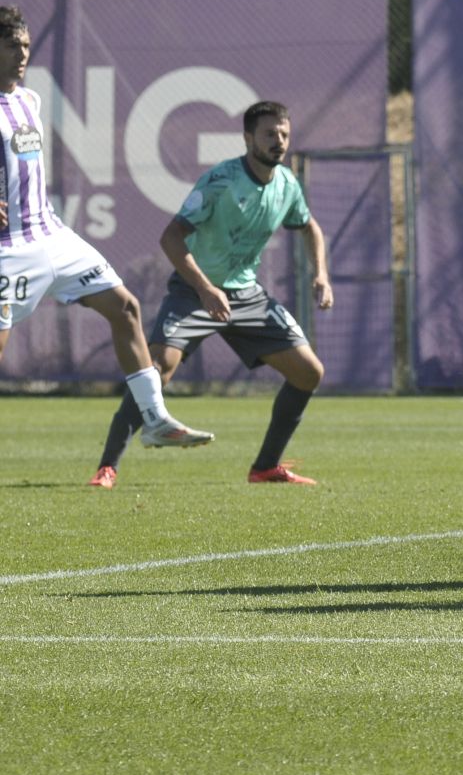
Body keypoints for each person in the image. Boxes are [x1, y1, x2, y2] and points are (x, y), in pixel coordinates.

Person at [0, 6, 211, 453]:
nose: (23, 53)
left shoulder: (30, 100)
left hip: (53, 236)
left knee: (125, 307)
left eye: (26, 44)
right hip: (8, 250)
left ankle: (154, 420)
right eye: (12, 45)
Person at [90, 101, 331, 487]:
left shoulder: (287, 184)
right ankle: (107, 468)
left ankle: (265, 467)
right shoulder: (221, 180)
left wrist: (321, 273)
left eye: (284, 134)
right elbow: (171, 237)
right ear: (248, 138)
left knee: (308, 373)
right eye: (270, 134)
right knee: (157, 369)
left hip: (247, 296)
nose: (279, 141)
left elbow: (310, 227)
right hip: (194, 291)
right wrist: (205, 288)